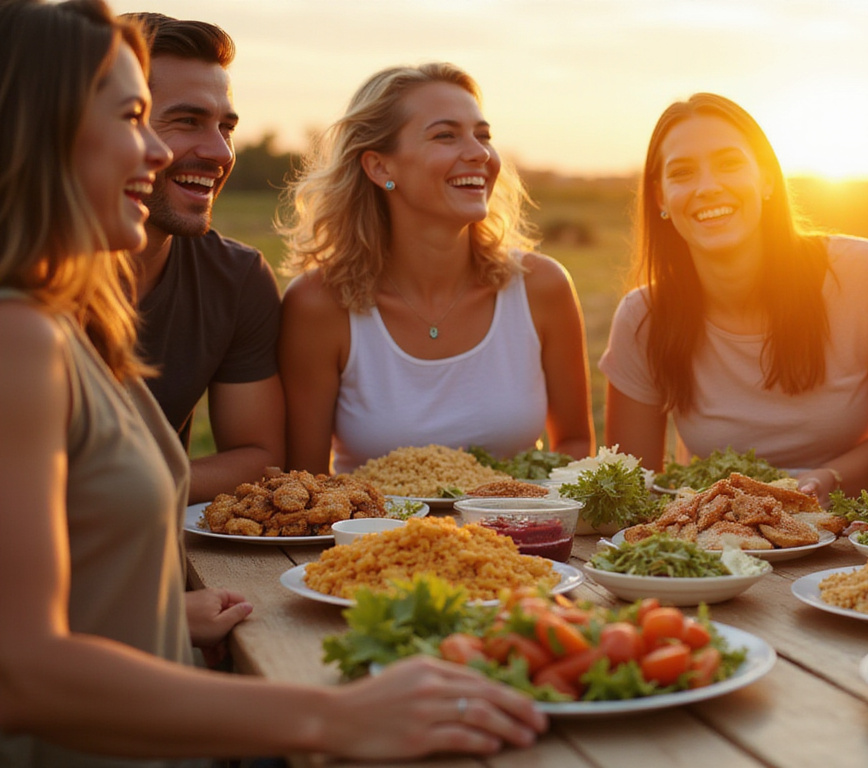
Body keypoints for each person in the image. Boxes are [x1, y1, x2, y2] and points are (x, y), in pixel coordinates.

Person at [0, 1, 546, 762]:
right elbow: (21, 676)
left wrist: (155, 613)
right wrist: (338, 718)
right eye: (136, 116)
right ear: (38, 126)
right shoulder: (21, 337)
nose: (160, 152)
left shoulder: (68, 324)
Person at [280, 63, 592, 476]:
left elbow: (574, 444)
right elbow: (304, 483)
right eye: (446, 135)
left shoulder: (542, 287)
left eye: (483, 136)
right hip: (375, 540)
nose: (479, 153)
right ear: (380, 167)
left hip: (515, 537)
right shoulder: (318, 304)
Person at [600, 92, 868, 497]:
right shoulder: (642, 316)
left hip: (855, 536)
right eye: (682, 173)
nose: (708, 187)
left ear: (766, 179)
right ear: (661, 197)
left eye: (729, 164)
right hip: (724, 546)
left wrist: (821, 480)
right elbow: (631, 491)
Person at [123, 13, 285, 505]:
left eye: (226, 127)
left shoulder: (235, 278)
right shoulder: (25, 277)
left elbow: (261, 456)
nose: (219, 151)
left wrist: (127, 494)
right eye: (187, 121)